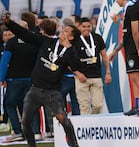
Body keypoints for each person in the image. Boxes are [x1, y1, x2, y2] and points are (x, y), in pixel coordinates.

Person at [1, 14, 82, 147]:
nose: (63, 32)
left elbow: (76, 66)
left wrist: (70, 48)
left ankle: (74, 144)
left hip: (53, 92)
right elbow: (25, 35)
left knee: (62, 118)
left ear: (71, 37)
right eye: (63, 30)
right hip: (35, 89)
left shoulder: (69, 52)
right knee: (25, 121)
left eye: (66, 31)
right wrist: (10, 23)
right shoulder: (47, 42)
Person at [73, 17, 112, 115]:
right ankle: (86, 125)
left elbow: (104, 56)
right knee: (84, 106)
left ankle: (92, 123)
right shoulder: (75, 40)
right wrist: (77, 74)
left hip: (96, 76)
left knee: (98, 104)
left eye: (88, 26)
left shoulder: (97, 38)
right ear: (79, 27)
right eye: (84, 27)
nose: (86, 29)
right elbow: (69, 60)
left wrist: (108, 72)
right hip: (81, 78)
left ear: (92, 26)